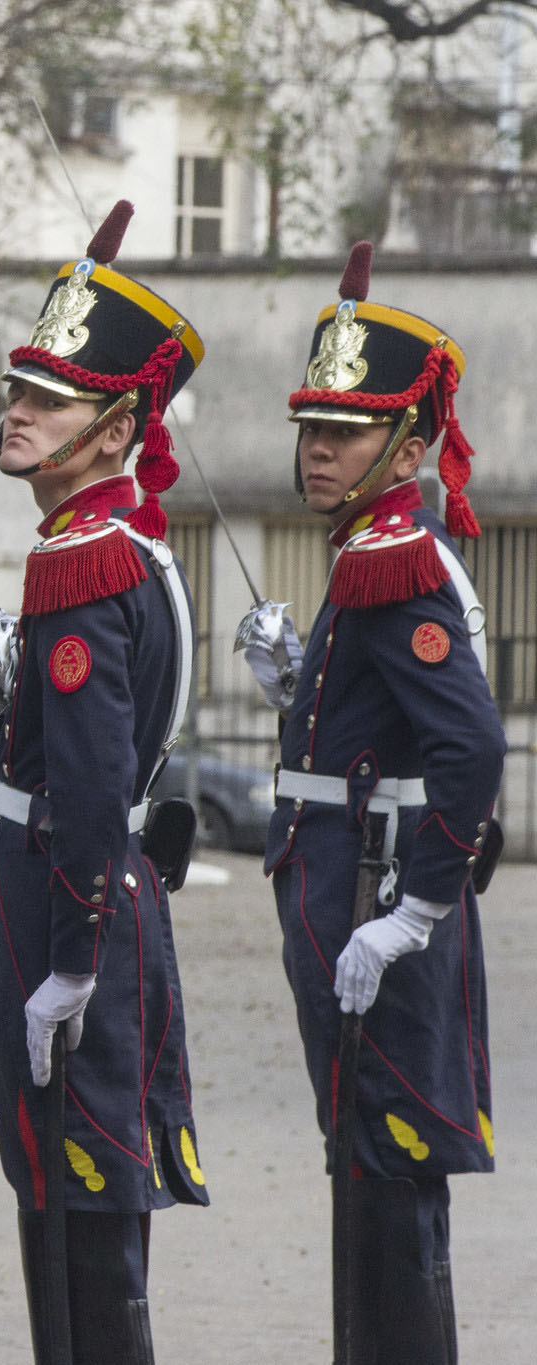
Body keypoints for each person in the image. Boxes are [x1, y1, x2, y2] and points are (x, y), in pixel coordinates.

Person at [235, 243, 502, 1364]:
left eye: (343, 432)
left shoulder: (391, 557)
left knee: (390, 1177)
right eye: (311, 428)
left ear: (410, 444)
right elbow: (381, 733)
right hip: (337, 887)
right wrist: (297, 683)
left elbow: (470, 748)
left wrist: (413, 913)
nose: (316, 451)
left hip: (368, 904)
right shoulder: (365, 555)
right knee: (366, 1169)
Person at [0, 201, 207, 1363]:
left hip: (63, 902)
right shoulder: (124, 544)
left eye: (47, 399)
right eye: (19, 387)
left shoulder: (78, 553)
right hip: (93, 899)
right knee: (73, 1199)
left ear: (115, 429)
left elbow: (97, 785)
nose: (17, 410)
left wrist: (68, 958)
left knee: (80, 1213)